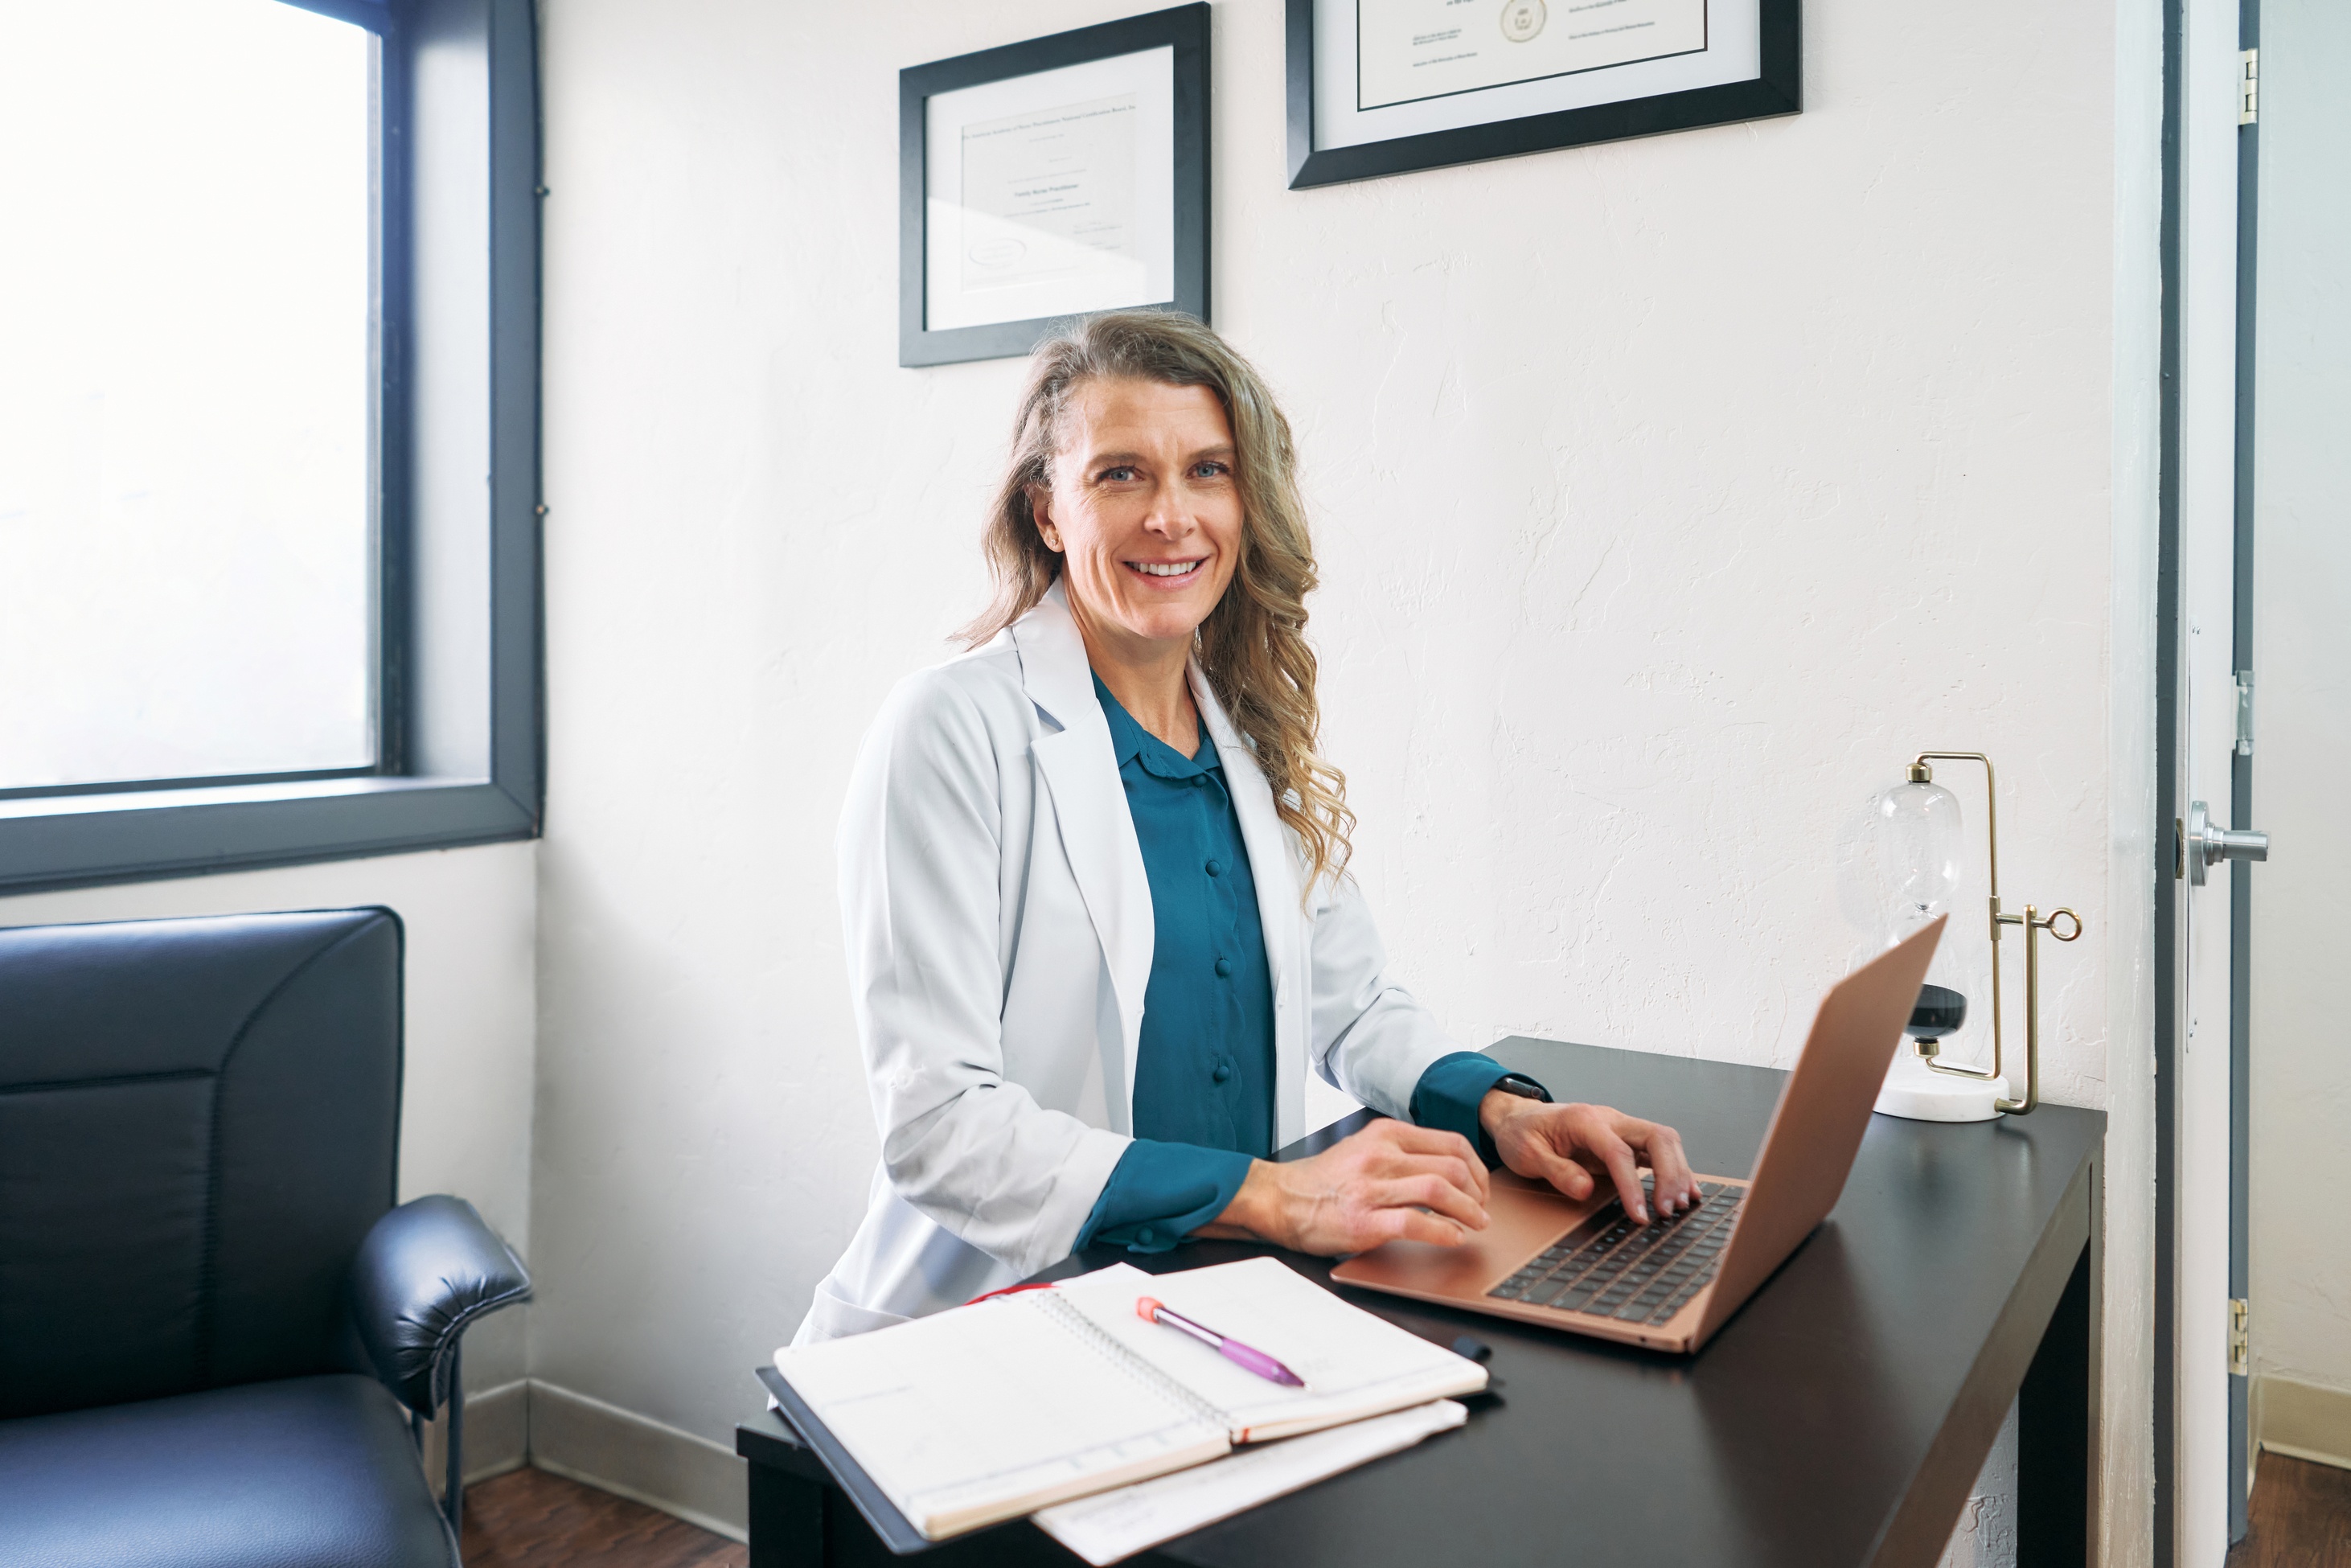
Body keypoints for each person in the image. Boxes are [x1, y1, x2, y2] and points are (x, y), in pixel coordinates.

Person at [794, 311, 1699, 1344]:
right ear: (1047, 511)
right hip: (991, 1330)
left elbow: (1351, 1006)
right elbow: (939, 1125)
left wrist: (1505, 1114)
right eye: (1120, 474)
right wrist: (1280, 1197)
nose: (1171, 517)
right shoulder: (951, 730)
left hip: (1203, 1311)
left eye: (1207, 470)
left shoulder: (1242, 732)